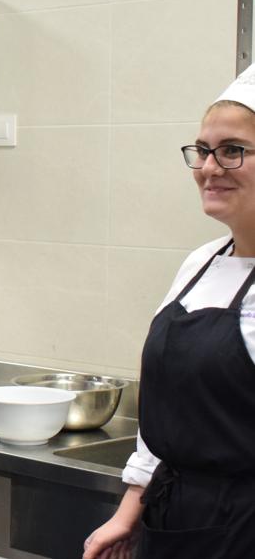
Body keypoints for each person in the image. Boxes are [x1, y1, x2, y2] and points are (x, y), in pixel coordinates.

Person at [83, 67, 255, 559]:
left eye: (232, 150)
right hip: (175, 520)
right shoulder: (201, 263)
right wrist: (129, 510)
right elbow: (168, 406)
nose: (209, 168)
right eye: (203, 150)